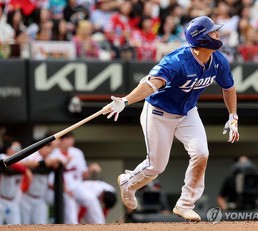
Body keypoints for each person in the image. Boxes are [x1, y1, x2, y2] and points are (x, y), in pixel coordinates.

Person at [99, 16, 239, 221]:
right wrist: (126, 101)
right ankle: (127, 184)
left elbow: (229, 87)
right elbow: (151, 83)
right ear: (201, 38)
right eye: (213, 31)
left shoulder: (218, 61)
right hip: (159, 113)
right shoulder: (177, 61)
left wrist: (232, 115)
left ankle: (185, 204)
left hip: (188, 112)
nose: (218, 34)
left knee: (201, 153)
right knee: (156, 167)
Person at [48, 132, 104, 224]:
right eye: (67, 139)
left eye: (71, 138)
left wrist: (90, 169)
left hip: (77, 186)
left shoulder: (77, 152)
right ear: (60, 141)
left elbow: (84, 174)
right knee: (71, 210)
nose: (70, 141)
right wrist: (64, 189)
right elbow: (50, 182)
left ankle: (101, 225)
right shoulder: (54, 154)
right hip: (61, 190)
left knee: (91, 198)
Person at [20, 140, 62, 224]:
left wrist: (46, 162)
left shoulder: (50, 156)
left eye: (50, 148)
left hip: (41, 198)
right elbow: (26, 164)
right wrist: (28, 169)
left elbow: (58, 162)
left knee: (41, 225)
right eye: (47, 147)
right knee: (24, 224)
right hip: (26, 197)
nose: (49, 150)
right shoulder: (33, 155)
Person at [0, 138, 33, 224]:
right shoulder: (2, 156)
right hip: (1, 199)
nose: (17, 151)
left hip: (14, 200)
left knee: (16, 226)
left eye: (19, 149)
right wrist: (25, 169)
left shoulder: (24, 160)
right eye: (15, 148)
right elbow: (6, 161)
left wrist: (25, 166)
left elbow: (34, 162)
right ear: (8, 149)